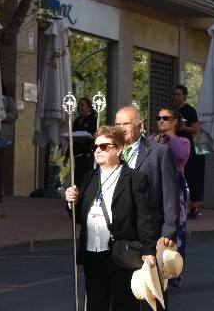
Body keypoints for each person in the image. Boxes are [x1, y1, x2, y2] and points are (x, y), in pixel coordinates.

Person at [64, 125, 159, 311]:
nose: (98, 150)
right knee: (95, 303)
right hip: (92, 251)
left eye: (105, 146)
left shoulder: (134, 179)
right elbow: (79, 218)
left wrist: (149, 249)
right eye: (95, 147)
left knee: (123, 304)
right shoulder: (88, 178)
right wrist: (71, 202)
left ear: (119, 149)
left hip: (121, 251)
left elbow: (144, 218)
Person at [113, 105, 179, 261]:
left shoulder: (159, 152)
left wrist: (169, 230)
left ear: (140, 125)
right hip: (118, 232)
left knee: (147, 283)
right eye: (118, 125)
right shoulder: (108, 152)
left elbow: (170, 195)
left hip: (149, 232)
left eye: (126, 124)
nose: (121, 129)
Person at [151, 105, 190, 284]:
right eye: (159, 118)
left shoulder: (182, 141)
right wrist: (154, 144)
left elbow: (181, 156)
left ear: (174, 121)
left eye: (166, 118)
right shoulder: (152, 139)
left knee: (176, 228)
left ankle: (173, 271)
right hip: (154, 186)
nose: (161, 121)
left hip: (175, 187)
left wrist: (171, 137)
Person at [174, 85, 205, 220]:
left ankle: (195, 206)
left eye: (179, 94)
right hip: (173, 146)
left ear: (184, 96)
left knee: (191, 175)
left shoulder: (189, 110)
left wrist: (183, 127)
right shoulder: (171, 111)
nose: (176, 97)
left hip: (186, 146)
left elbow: (196, 129)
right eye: (174, 94)